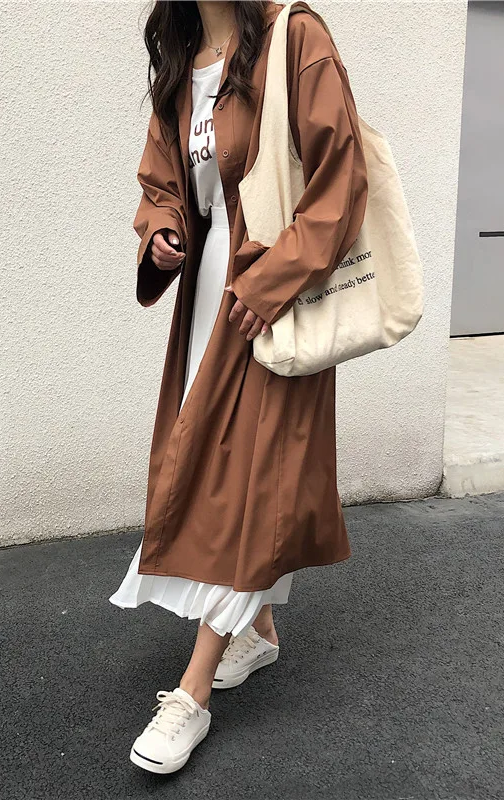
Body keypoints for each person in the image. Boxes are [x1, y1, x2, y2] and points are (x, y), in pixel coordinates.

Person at [109, 0, 369, 774]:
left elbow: (341, 180)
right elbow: (164, 181)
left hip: (268, 303)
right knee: (222, 470)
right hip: (208, 305)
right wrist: (162, 230)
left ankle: (192, 693)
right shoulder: (184, 56)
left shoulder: (296, 37)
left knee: (245, 486)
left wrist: (274, 281)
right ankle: (256, 632)